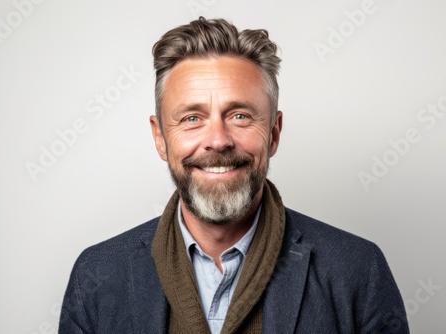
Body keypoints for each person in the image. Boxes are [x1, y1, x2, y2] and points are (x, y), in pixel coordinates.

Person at [59, 17, 409, 334]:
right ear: (160, 138)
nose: (217, 141)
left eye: (240, 115)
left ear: (273, 133)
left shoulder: (358, 270)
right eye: (192, 118)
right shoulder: (97, 275)